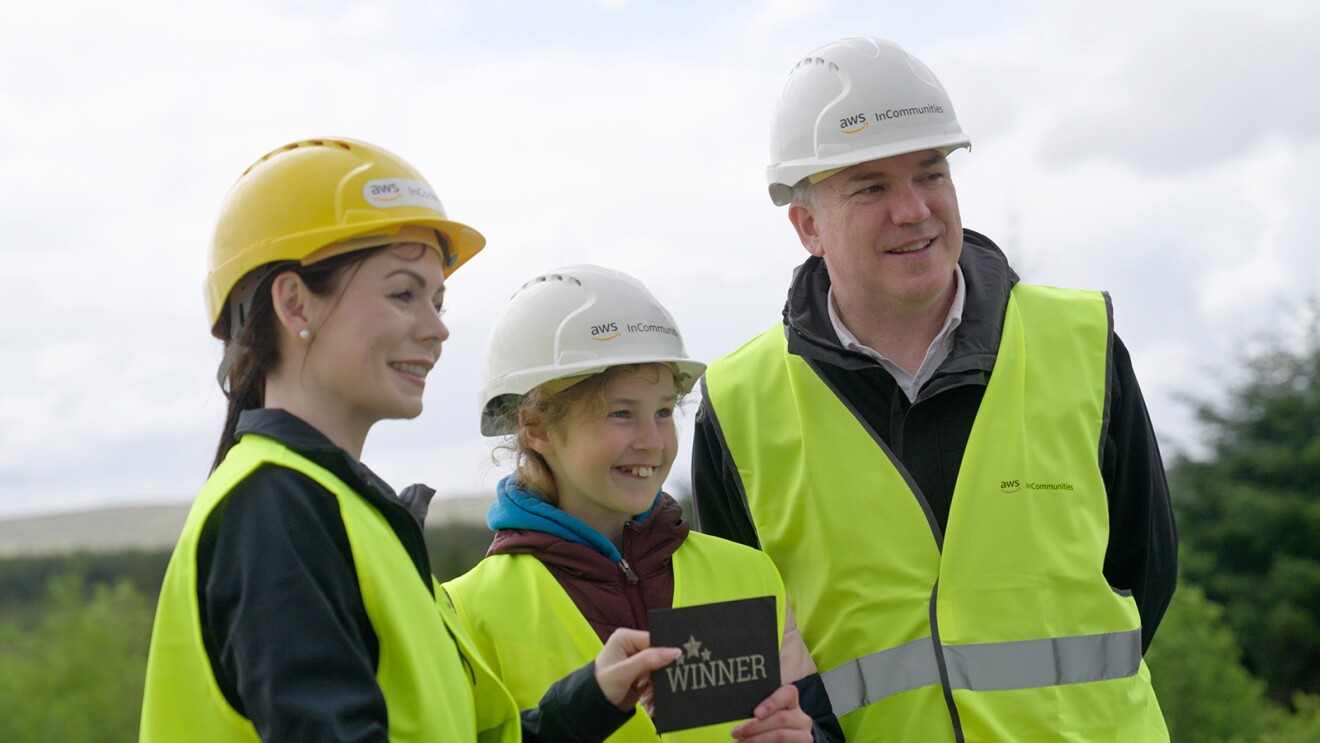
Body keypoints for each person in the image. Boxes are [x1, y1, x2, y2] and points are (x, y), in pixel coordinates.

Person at [692, 37, 1176, 741]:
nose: (914, 210)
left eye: (931, 173)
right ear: (807, 226)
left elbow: (1148, 574)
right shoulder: (738, 402)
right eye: (871, 187)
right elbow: (732, 665)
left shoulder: (1081, 340)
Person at [139, 139, 680, 742]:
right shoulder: (275, 511)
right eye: (404, 293)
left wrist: (592, 697)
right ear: (295, 303)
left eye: (438, 298)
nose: (438, 327)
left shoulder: (338, 511)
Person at [442, 265, 843, 742]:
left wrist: (808, 739)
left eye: (662, 411)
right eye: (621, 413)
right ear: (536, 429)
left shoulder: (749, 575)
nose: (652, 440)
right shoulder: (467, 612)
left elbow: (821, 727)